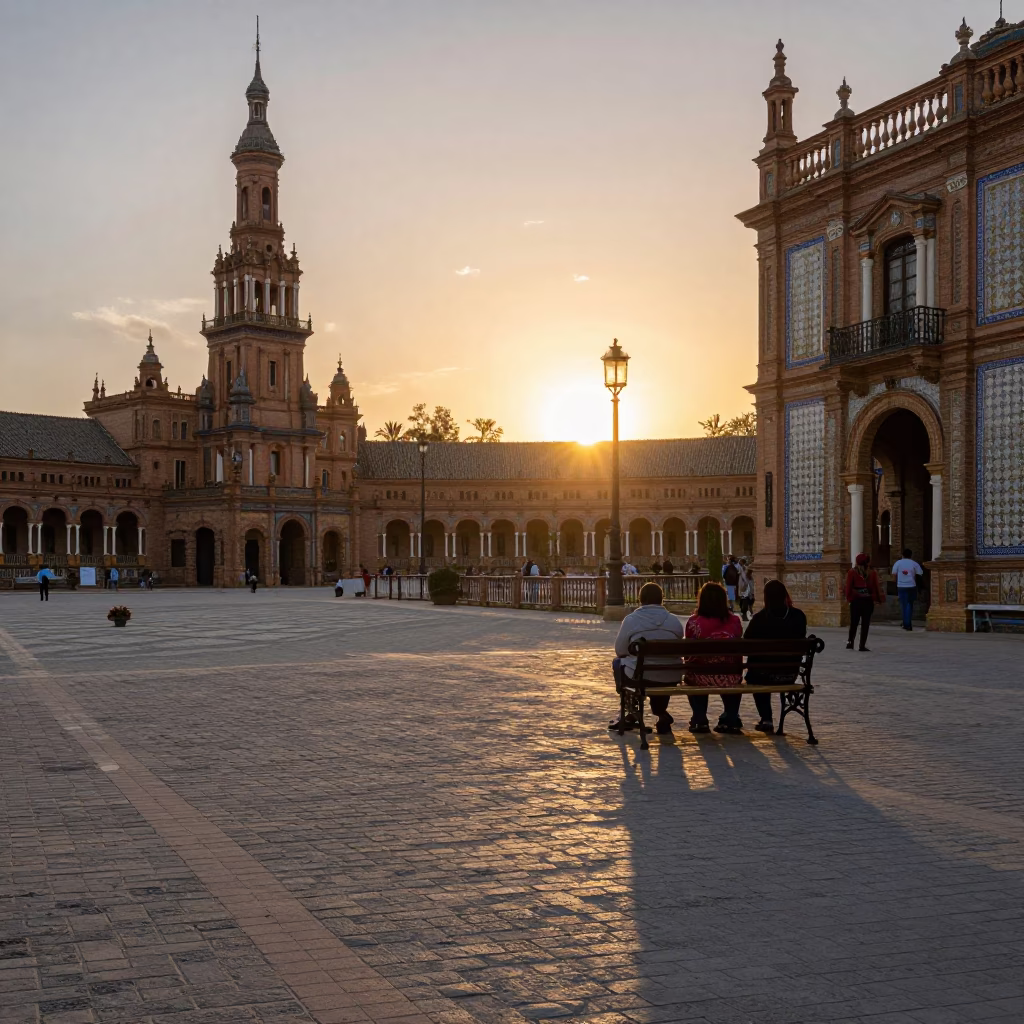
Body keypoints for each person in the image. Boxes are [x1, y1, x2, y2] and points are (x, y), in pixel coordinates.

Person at [608, 582, 684, 735]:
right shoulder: (673, 620)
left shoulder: (631, 620)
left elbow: (620, 651)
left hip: (641, 676)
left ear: (640, 599)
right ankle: (660, 712)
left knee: (619, 663)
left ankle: (630, 710)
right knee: (660, 671)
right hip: (670, 674)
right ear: (661, 599)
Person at [744, 579, 807, 732]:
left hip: (763, 675)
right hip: (789, 675)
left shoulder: (760, 618)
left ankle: (766, 719)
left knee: (756, 673)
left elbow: (745, 645)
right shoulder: (798, 616)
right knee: (759, 669)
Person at [684, 582, 744, 733]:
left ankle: (700, 718)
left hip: (701, 676)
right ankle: (731, 716)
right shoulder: (734, 621)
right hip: (730, 675)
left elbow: (688, 653)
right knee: (730, 672)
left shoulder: (693, 622)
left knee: (693, 673)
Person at [845, 553, 884, 651]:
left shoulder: (852, 572)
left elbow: (848, 587)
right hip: (868, 600)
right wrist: (879, 599)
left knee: (854, 622)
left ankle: (850, 642)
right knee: (865, 623)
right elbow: (876, 587)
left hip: (856, 601)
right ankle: (862, 645)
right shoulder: (872, 573)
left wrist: (849, 598)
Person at [892, 547, 924, 630]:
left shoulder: (898, 563)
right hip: (911, 586)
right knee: (910, 604)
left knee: (903, 605)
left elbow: (894, 575)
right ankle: (907, 623)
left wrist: (896, 584)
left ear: (902, 555)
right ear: (911, 555)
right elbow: (920, 574)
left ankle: (906, 623)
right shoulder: (914, 563)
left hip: (901, 586)